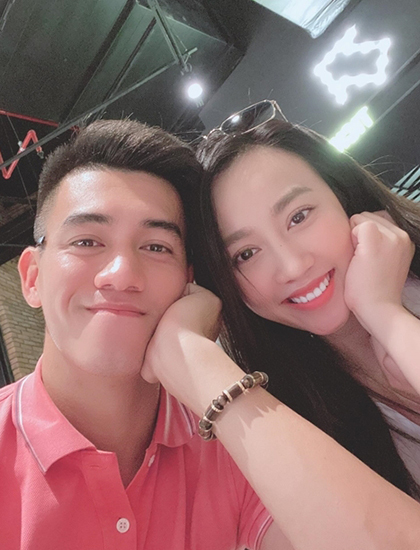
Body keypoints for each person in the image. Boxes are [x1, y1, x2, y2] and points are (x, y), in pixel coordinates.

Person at [1, 118, 420, 550]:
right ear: (32, 277)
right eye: (87, 242)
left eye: (156, 246)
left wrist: (193, 360)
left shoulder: (239, 443)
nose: (122, 274)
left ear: (189, 282)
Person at [193, 100, 420, 506]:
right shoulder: (294, 418)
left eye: (299, 217)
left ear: (342, 194)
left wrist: (386, 316)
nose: (292, 266)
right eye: (246, 254)